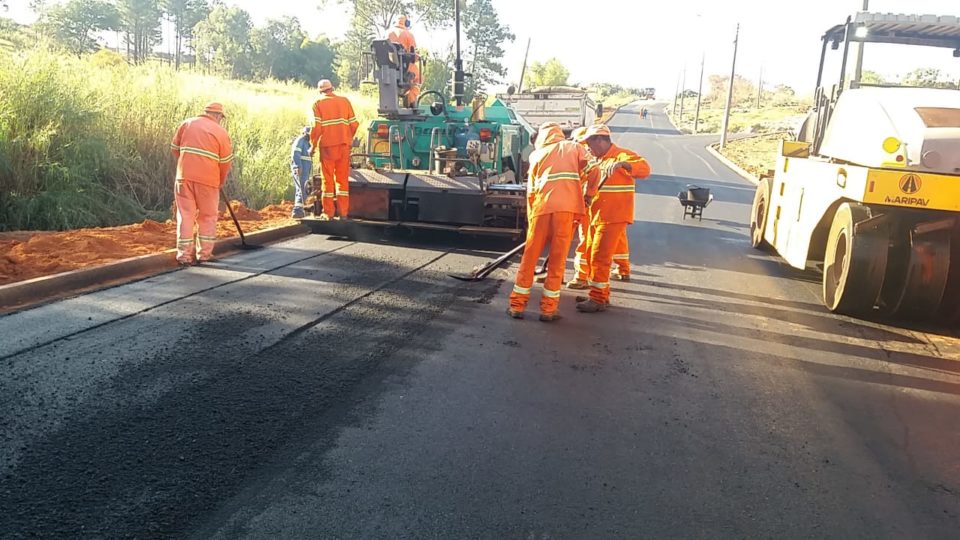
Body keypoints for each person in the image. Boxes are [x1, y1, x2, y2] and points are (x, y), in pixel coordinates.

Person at [507, 122, 599, 322]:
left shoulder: (536, 155)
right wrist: (589, 194)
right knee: (557, 259)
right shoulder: (574, 147)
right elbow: (595, 170)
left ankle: (517, 306)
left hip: (541, 209)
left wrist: (532, 220)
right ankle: (548, 310)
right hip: (565, 211)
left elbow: (531, 191)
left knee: (530, 257)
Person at [573, 123, 651, 313]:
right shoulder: (597, 160)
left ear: (600, 139)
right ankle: (599, 293)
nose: (588, 148)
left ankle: (598, 299)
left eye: (589, 143)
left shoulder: (622, 155)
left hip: (612, 216)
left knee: (600, 257)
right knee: (592, 254)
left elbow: (644, 169)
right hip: (597, 216)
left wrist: (623, 164)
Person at [170, 102, 233, 266]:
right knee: (207, 216)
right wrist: (220, 180)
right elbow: (225, 162)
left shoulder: (187, 124)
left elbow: (174, 148)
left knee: (185, 215)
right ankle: (204, 255)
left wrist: (188, 165)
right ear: (218, 116)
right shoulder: (221, 132)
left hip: (183, 177)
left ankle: (183, 256)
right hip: (208, 181)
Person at [310, 79, 359, 220]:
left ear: (320, 91)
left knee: (328, 180)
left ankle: (328, 213)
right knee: (342, 180)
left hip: (327, 147)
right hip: (344, 147)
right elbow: (354, 124)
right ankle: (343, 214)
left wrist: (312, 146)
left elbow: (316, 128)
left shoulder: (318, 104)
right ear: (332, 88)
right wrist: (347, 139)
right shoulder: (345, 101)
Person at [387, 15, 421, 108]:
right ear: (406, 23)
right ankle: (410, 98)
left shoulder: (387, 33)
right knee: (419, 78)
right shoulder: (408, 34)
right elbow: (413, 55)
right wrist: (418, 56)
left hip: (386, 69)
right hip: (403, 69)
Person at [290, 126, 312, 219]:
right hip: (301, 168)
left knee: (302, 188)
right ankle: (297, 211)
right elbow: (295, 153)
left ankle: (302, 210)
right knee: (302, 188)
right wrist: (298, 166)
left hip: (305, 168)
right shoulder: (301, 140)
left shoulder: (307, 143)